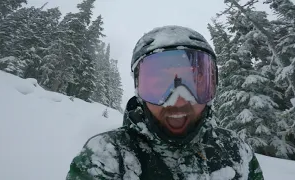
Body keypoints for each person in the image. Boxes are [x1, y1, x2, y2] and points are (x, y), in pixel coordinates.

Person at [66, 25, 264, 180]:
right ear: (139, 90)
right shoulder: (109, 155)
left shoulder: (236, 151)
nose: (178, 100)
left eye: (193, 84)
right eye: (160, 85)